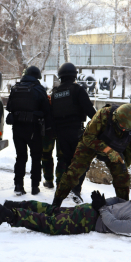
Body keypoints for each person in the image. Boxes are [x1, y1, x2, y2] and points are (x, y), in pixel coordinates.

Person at [52, 103, 131, 208]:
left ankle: (123, 208)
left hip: (115, 149)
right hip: (92, 143)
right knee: (73, 173)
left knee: (122, 178)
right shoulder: (103, 114)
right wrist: (108, 150)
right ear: (115, 117)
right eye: (122, 126)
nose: (123, 130)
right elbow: (88, 137)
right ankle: (56, 202)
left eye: (126, 129)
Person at [0, 190, 131, 236]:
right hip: (90, 219)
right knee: (51, 223)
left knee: (53, 210)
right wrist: (101, 208)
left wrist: (100, 203)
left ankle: (12, 204)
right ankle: (7, 214)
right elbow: (113, 225)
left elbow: (118, 201)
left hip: (89, 209)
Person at [50, 63, 96, 202]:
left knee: (65, 161)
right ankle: (75, 189)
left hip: (61, 133)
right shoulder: (77, 90)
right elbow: (89, 110)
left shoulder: (55, 93)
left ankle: (63, 189)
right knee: (82, 161)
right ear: (74, 75)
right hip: (75, 132)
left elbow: (52, 114)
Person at [6, 66, 51, 196]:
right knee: (36, 157)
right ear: (37, 76)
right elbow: (47, 111)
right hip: (33, 129)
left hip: (17, 129)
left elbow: (9, 107)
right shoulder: (39, 89)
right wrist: (48, 129)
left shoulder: (15, 88)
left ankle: (18, 186)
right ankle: (35, 187)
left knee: (21, 157)